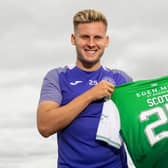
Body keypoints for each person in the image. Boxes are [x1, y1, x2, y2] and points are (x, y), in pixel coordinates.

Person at [37, 9, 132, 168]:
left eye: (97, 38)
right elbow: (45, 126)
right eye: (85, 37)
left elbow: (137, 126)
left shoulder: (121, 79)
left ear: (106, 41)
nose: (91, 43)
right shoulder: (57, 77)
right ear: (73, 39)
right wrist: (91, 95)